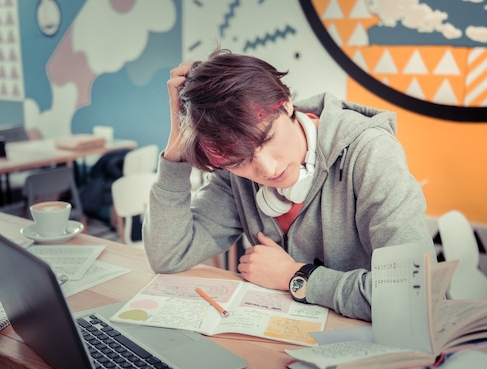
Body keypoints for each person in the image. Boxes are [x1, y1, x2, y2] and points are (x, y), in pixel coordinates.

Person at [143, 48, 434, 321]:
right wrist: (177, 144)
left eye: (268, 138)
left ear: (286, 103)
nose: (267, 169)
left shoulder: (371, 153)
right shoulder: (234, 176)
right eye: (239, 161)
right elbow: (168, 255)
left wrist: (296, 276)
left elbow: (413, 295)